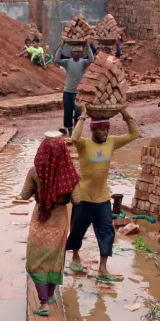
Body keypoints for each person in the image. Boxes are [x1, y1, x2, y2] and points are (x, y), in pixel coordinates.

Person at [66, 106, 141, 282]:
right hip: (84, 197)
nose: (105, 132)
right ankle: (75, 256)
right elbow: (74, 138)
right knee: (77, 230)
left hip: (103, 198)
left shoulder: (112, 142)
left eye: (107, 129)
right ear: (93, 130)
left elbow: (134, 134)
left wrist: (125, 114)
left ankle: (103, 269)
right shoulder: (84, 144)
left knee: (107, 232)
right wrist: (82, 117)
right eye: (101, 129)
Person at [18, 133, 80, 315]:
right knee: (55, 257)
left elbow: (24, 195)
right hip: (60, 219)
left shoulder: (35, 171)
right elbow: (77, 200)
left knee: (35, 258)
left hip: (41, 218)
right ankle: (50, 295)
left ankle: (43, 303)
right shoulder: (69, 173)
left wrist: (41, 191)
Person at [53, 39, 94, 134]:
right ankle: (70, 132)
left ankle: (76, 130)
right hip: (67, 91)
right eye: (74, 52)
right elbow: (56, 60)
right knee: (67, 112)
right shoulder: (67, 62)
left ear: (81, 54)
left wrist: (88, 46)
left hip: (78, 93)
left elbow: (91, 59)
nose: (76, 54)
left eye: (79, 52)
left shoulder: (83, 62)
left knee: (78, 112)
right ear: (71, 53)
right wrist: (61, 46)